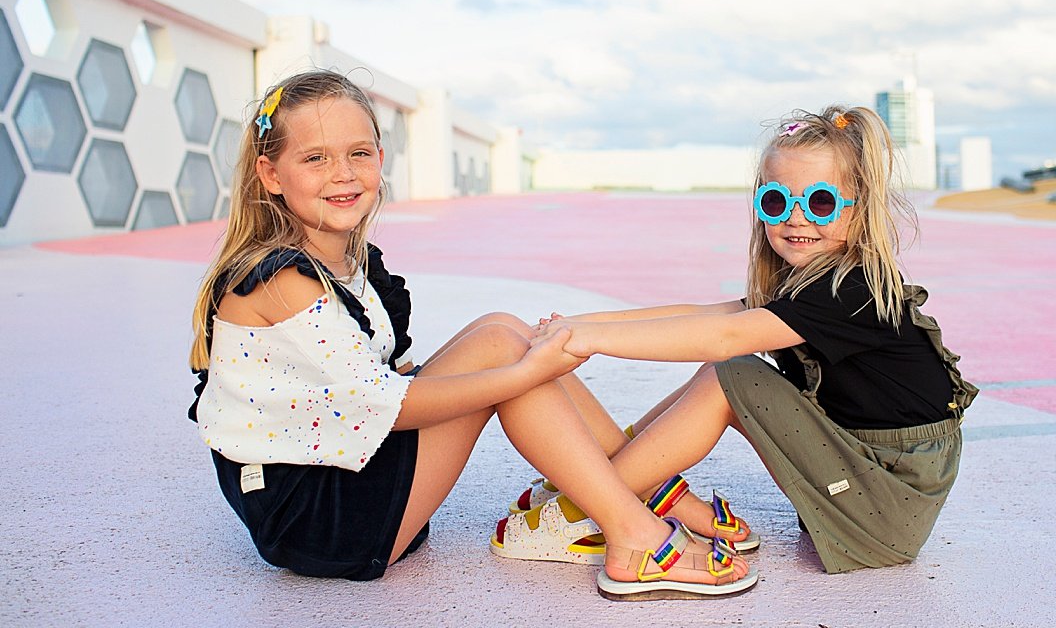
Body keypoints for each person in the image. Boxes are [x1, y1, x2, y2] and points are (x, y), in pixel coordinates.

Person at [185, 69, 756, 599]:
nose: (343, 173)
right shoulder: (280, 280)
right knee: (507, 354)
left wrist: (516, 367)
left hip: (349, 476)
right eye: (315, 158)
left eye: (359, 153)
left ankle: (645, 489)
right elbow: (389, 405)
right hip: (320, 520)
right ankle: (632, 531)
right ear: (270, 174)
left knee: (499, 329)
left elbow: (365, 379)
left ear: (381, 158)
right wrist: (522, 375)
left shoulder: (346, 264)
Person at [531, 106, 977, 574]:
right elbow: (701, 315)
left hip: (887, 509)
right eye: (777, 202)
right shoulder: (804, 285)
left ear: (859, 209)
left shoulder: (852, 290)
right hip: (864, 480)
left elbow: (724, 337)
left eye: (821, 202)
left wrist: (589, 339)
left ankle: (584, 510)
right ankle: (610, 481)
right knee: (725, 374)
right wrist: (579, 323)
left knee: (732, 373)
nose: (797, 218)